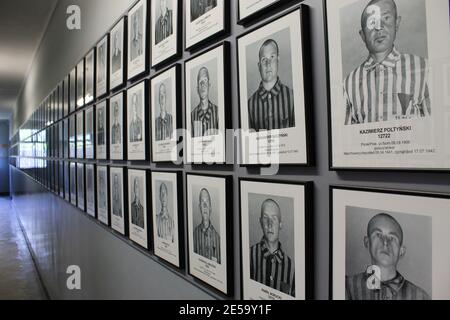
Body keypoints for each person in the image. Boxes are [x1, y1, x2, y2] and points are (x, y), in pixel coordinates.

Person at [344, 0, 430, 125]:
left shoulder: (423, 69)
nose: (379, 27)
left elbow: (436, 129)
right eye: (372, 22)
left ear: (397, 23)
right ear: (362, 35)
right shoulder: (349, 83)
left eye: (386, 17)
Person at [346, 213, 430, 300]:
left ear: (401, 251)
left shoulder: (420, 296)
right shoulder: (347, 286)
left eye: (392, 238)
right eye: (378, 235)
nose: (385, 242)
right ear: (367, 242)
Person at [248, 39, 296, 132]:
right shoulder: (250, 104)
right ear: (259, 66)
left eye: (272, 57)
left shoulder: (292, 97)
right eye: (264, 59)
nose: (268, 64)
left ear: (278, 60)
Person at [250, 199, 295, 297]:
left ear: (280, 224)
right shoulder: (249, 255)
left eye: (274, 218)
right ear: (261, 222)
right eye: (266, 218)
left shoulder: (291, 267)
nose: (270, 224)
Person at [193, 188, 221, 263]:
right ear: (199, 207)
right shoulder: (194, 235)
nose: (205, 205)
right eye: (202, 202)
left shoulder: (218, 238)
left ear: (210, 207)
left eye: (207, 201)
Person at [191, 67, 219, 137]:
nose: (202, 85)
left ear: (209, 85)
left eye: (205, 80)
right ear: (197, 89)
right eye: (200, 82)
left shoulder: (217, 112)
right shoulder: (192, 115)